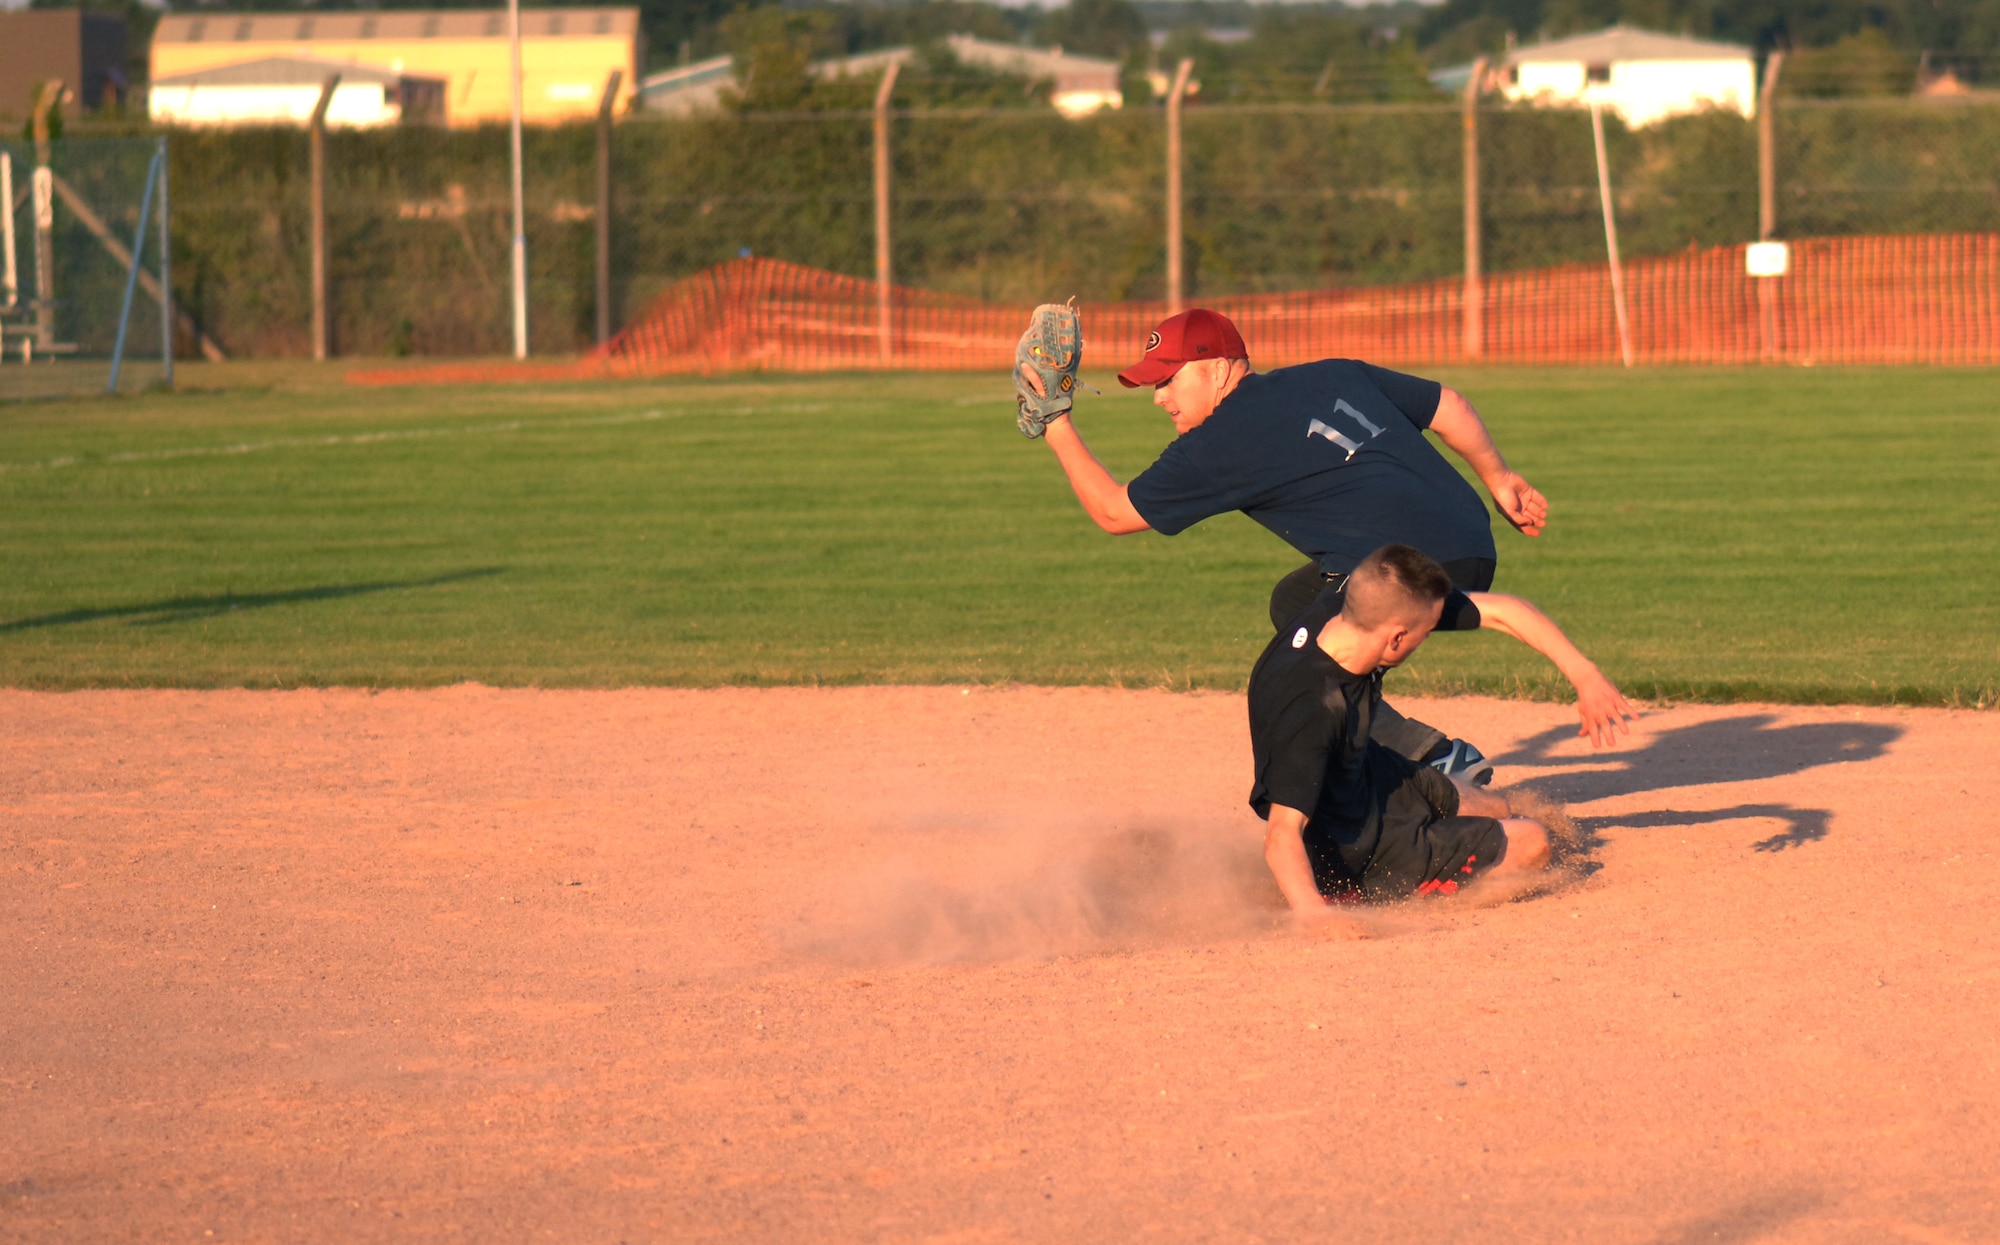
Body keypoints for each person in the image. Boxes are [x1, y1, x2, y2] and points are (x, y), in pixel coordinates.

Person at [1024, 306, 1552, 780]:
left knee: (1300, 661)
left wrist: (1054, 422)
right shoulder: (1331, 373)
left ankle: (1432, 764)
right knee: (1296, 603)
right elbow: (1449, 405)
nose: (1160, 397)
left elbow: (1114, 514)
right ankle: (1385, 746)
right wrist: (1500, 478)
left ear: (1219, 369)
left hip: (1399, 577)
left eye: (1168, 380)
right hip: (1472, 546)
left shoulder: (1219, 441)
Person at [1248, 544, 1634, 918]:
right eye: (1426, 631)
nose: (1429, 637)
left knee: (1494, 807)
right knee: (1533, 843)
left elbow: (1503, 611)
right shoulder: (1313, 708)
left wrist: (1585, 675)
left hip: (1364, 775)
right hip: (1353, 848)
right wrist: (1315, 913)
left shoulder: (1343, 613)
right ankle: (1364, 892)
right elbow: (1282, 835)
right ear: (1397, 637)